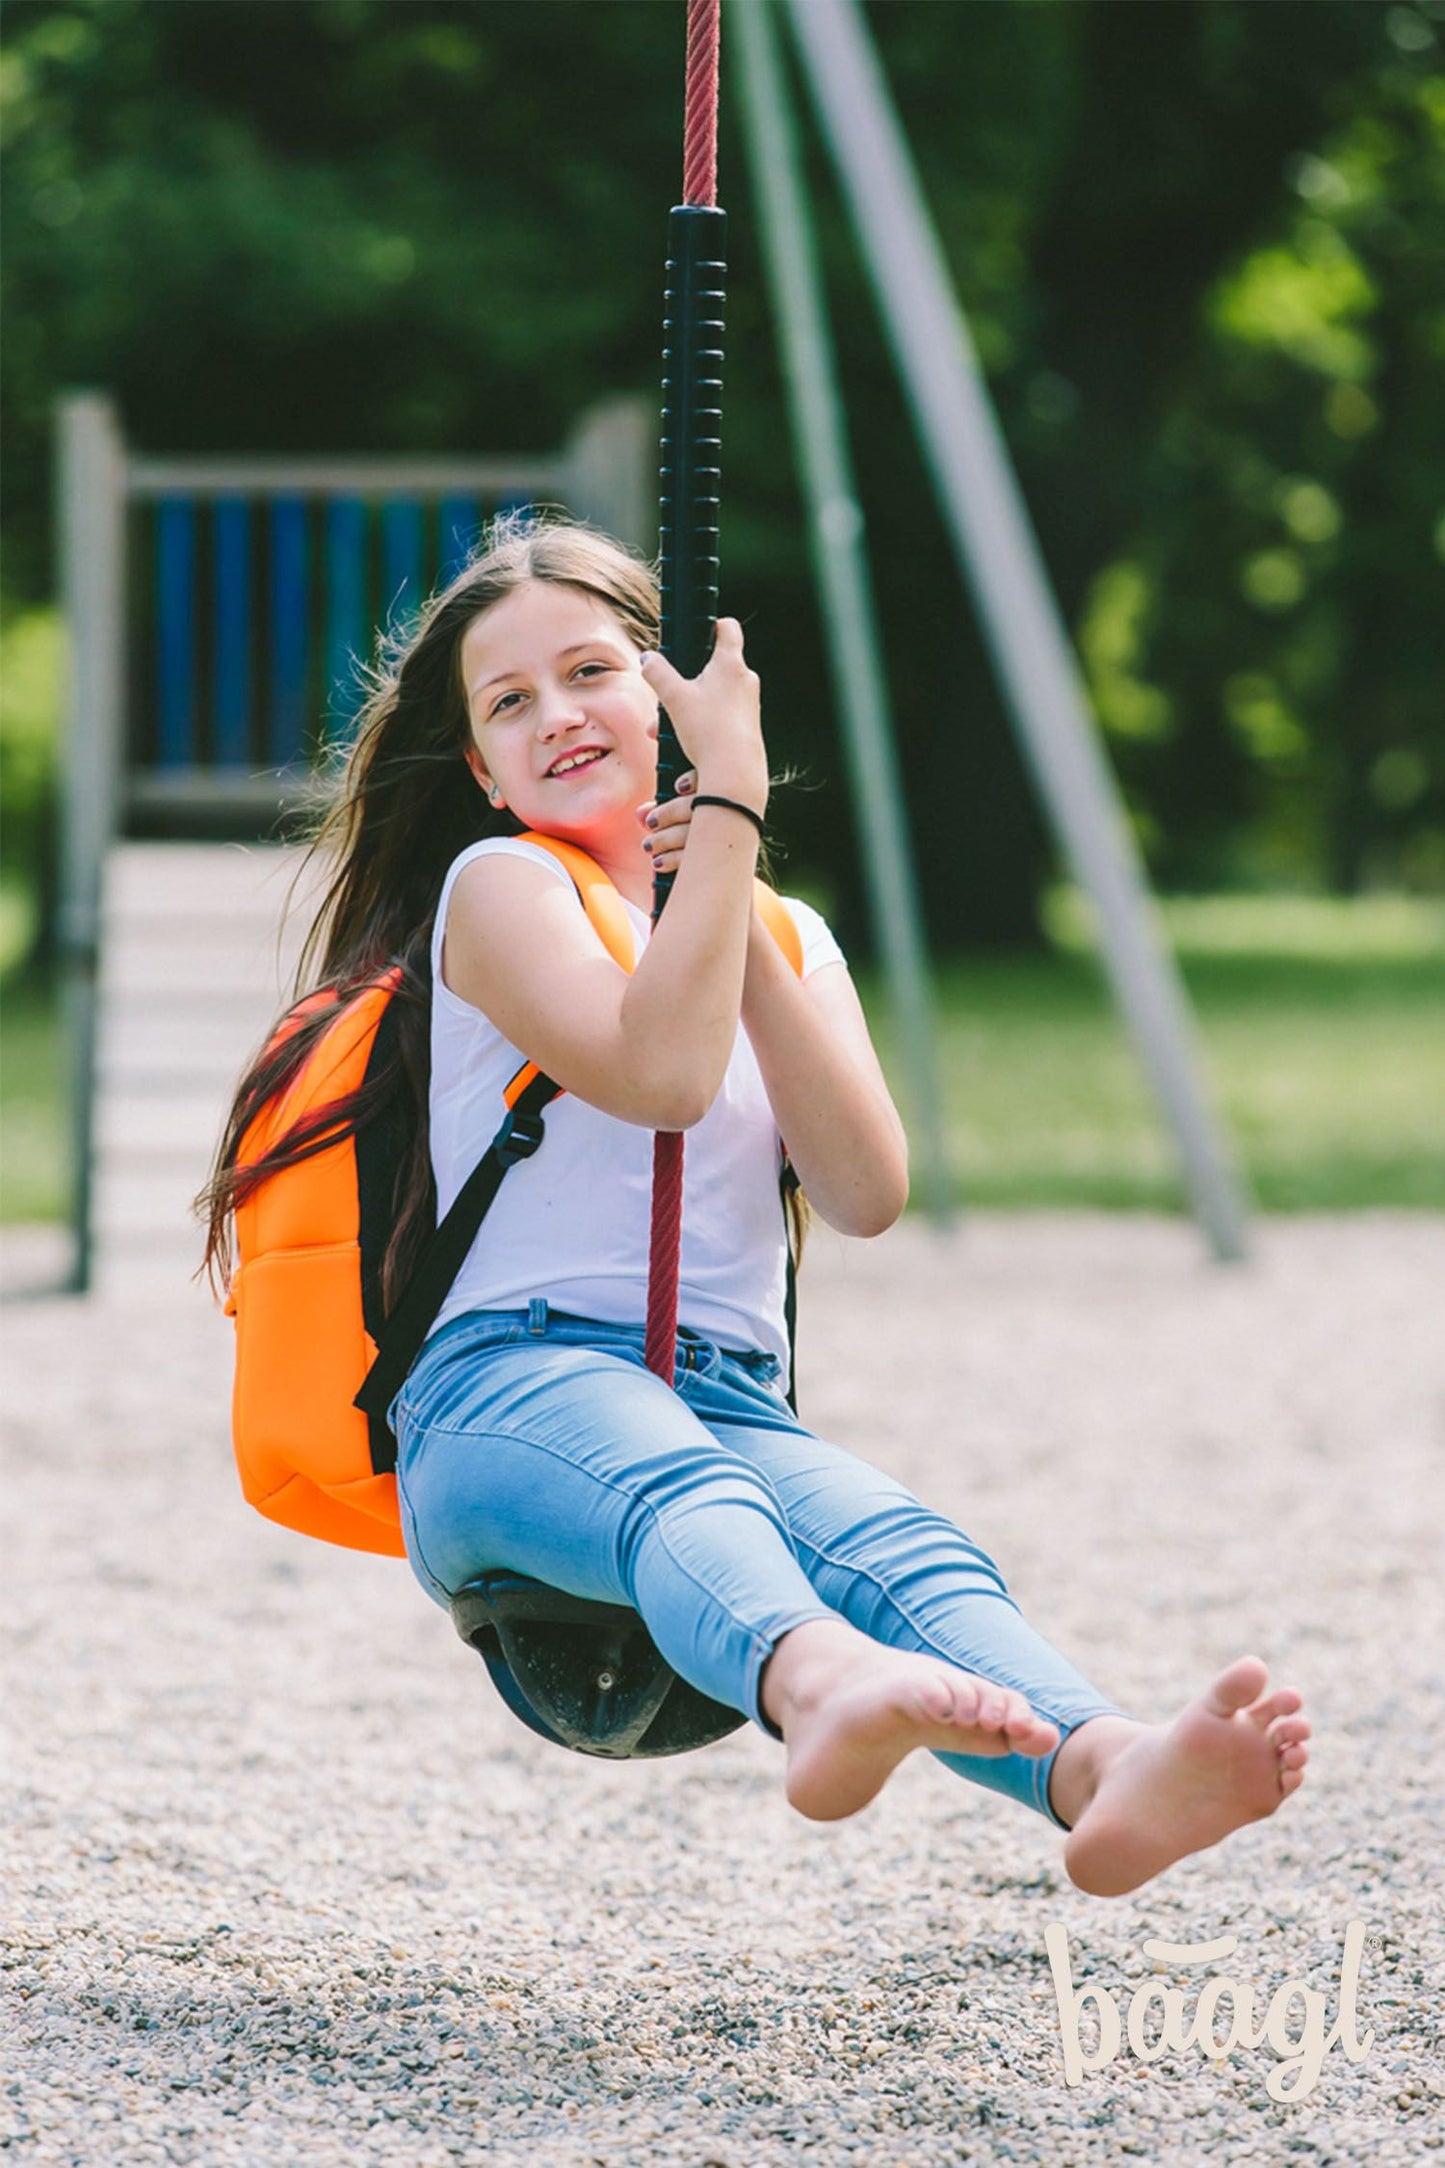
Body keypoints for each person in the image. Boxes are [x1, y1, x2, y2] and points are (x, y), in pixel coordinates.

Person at [205, 516, 1310, 1898]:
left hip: (720, 1393)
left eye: (592, 670)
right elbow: (658, 1078)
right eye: (508, 702)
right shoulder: (498, 891)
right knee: (686, 1488)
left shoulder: (784, 935)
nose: (556, 714)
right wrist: (723, 802)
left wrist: (725, 898)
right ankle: (821, 1679)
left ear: (667, 695)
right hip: (502, 1395)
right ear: (482, 772)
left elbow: (862, 1189)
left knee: (897, 1544)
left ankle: (1103, 1766)